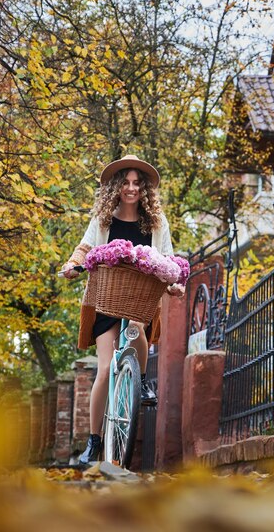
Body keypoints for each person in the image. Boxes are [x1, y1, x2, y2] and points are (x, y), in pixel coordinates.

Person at [61, 154, 185, 464]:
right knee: (103, 370)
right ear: (117, 187)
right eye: (126, 183)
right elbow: (85, 247)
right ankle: (94, 441)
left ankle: (141, 382)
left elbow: (167, 258)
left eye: (137, 184)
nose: (131, 189)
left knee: (136, 325)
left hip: (140, 299)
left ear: (144, 190)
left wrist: (173, 283)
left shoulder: (156, 222)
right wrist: (73, 264)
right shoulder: (104, 219)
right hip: (105, 298)